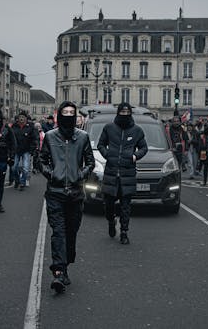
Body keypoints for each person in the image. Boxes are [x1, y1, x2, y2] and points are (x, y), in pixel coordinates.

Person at [38, 101, 95, 293]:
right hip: (55, 193)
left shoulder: (83, 137)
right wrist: (52, 174)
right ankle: (59, 272)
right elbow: (41, 160)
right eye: (65, 112)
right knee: (59, 233)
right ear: (59, 115)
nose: (69, 115)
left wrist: (81, 174)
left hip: (76, 194)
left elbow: (90, 162)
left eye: (72, 112)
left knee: (71, 233)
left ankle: (66, 263)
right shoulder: (50, 136)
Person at [97, 102, 148, 244]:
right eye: (122, 112)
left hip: (128, 173)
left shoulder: (137, 130)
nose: (124, 114)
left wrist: (135, 156)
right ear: (118, 112)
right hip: (111, 172)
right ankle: (111, 221)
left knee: (126, 206)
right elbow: (100, 144)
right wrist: (108, 154)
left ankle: (124, 232)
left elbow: (144, 147)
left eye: (127, 112)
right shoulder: (109, 128)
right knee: (108, 205)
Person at [12, 111, 37, 190]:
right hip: (16, 150)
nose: (21, 118)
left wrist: (32, 149)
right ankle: (17, 180)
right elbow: (10, 138)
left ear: (26, 118)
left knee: (25, 168)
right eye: (20, 117)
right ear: (18, 118)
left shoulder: (30, 127)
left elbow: (34, 139)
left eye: (23, 117)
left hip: (26, 150)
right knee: (14, 168)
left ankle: (22, 182)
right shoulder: (14, 126)